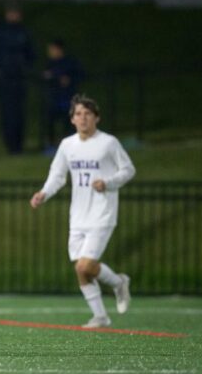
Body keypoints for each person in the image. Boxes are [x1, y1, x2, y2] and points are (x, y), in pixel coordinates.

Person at [30, 95, 135, 328]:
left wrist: (108, 182)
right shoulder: (68, 145)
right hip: (78, 215)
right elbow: (57, 176)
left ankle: (118, 283)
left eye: (88, 114)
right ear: (72, 119)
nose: (83, 118)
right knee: (82, 269)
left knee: (85, 266)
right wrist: (43, 193)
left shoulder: (108, 143)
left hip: (102, 212)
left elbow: (128, 170)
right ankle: (100, 316)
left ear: (97, 117)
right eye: (78, 114)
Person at [0, 2, 36, 155]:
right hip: (4, 79)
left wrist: (25, 67)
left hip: (19, 77)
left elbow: (31, 53)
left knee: (19, 113)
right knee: (7, 113)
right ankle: (11, 145)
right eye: (12, 12)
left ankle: (19, 145)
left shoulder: (23, 32)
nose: (14, 16)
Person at [42, 38, 84, 153]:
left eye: (52, 49)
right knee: (50, 120)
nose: (50, 52)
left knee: (69, 121)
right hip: (54, 98)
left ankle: (71, 144)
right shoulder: (50, 64)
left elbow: (80, 75)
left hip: (67, 98)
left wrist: (69, 80)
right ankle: (51, 145)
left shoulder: (69, 62)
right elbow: (46, 77)